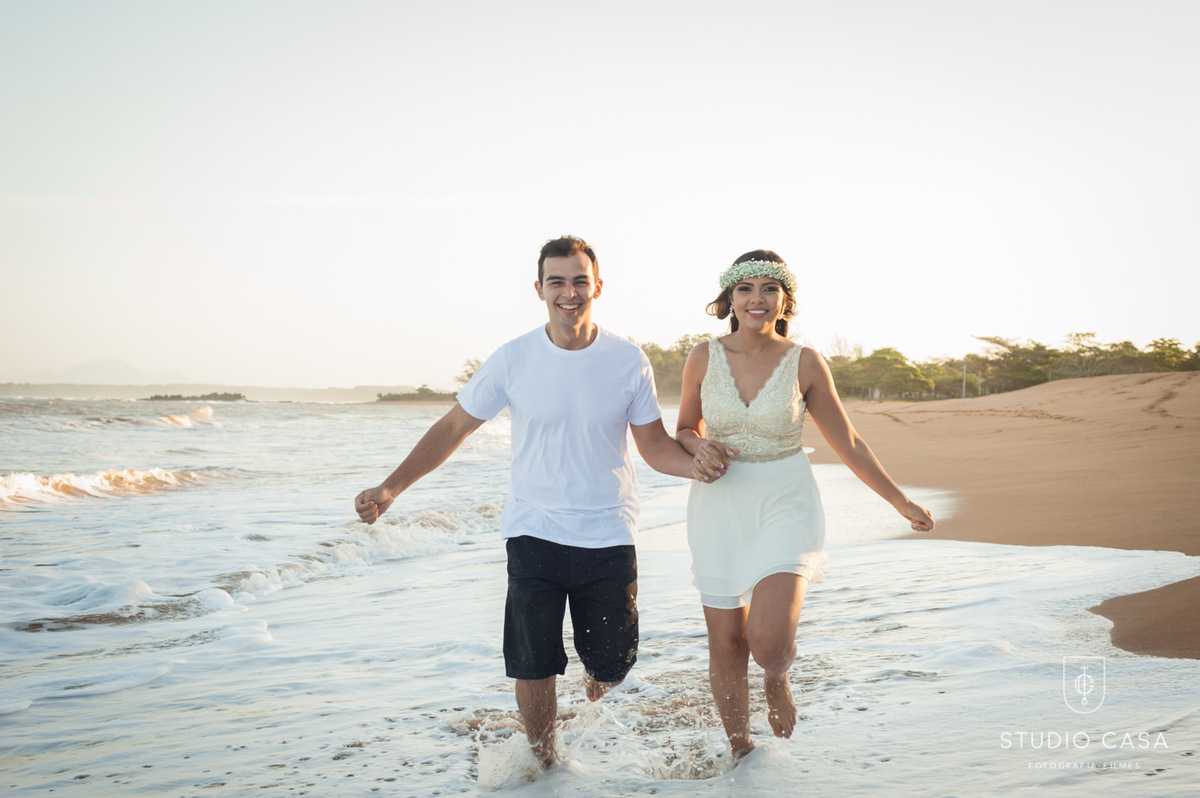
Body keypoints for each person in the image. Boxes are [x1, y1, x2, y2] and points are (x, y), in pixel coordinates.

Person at [355, 235, 709, 770]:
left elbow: (656, 447)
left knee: (614, 662)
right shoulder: (513, 358)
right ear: (540, 288)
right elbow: (454, 427)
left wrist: (704, 470)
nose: (569, 292)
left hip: (609, 532)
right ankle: (548, 764)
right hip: (533, 529)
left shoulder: (627, 359)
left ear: (598, 286)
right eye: (557, 282)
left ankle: (598, 673)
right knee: (533, 662)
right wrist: (390, 487)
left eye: (579, 281)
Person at [675, 249, 935, 760]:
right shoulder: (702, 357)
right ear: (729, 298)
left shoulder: (806, 362)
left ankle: (776, 676)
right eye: (745, 288)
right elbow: (685, 428)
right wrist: (697, 446)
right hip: (719, 506)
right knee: (727, 643)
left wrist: (899, 500)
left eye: (769, 289)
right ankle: (741, 752)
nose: (757, 299)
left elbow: (850, 442)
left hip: (786, 500)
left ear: (784, 299)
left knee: (767, 640)